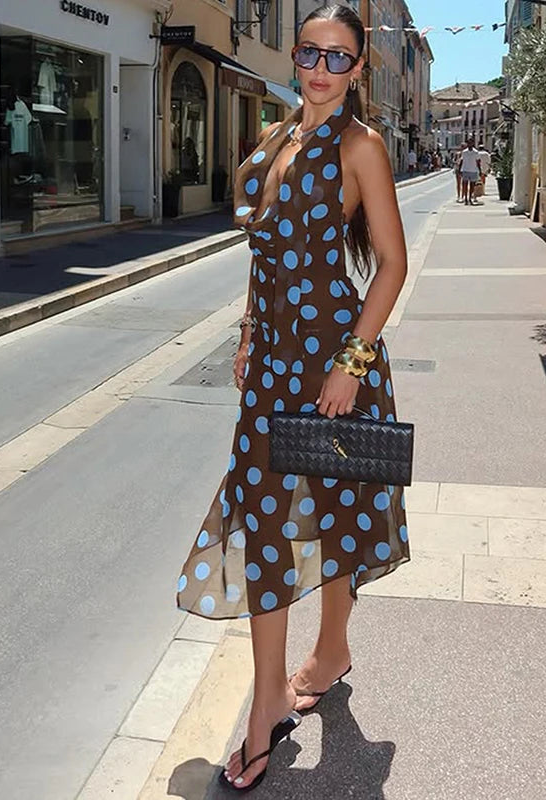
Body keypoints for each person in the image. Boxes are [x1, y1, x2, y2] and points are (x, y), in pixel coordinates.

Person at [176, 3, 410, 793]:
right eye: (310, 51)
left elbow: (391, 265)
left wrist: (351, 361)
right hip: (274, 362)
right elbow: (266, 257)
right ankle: (272, 695)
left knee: (335, 511)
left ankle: (323, 656)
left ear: (359, 70)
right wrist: (248, 333)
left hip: (334, 362)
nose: (320, 67)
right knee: (269, 520)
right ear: (294, 53)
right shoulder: (278, 138)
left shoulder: (360, 146)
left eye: (339, 57)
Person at [460, 138, 482, 205]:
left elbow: (478, 162)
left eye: (471, 143)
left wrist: (480, 170)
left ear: (473, 143)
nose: (470, 144)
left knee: (472, 186)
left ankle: (470, 198)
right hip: (465, 170)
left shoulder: (476, 152)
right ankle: (466, 199)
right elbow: (462, 160)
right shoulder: (464, 152)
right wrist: (460, 169)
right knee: (465, 185)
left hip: (473, 170)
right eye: (469, 143)